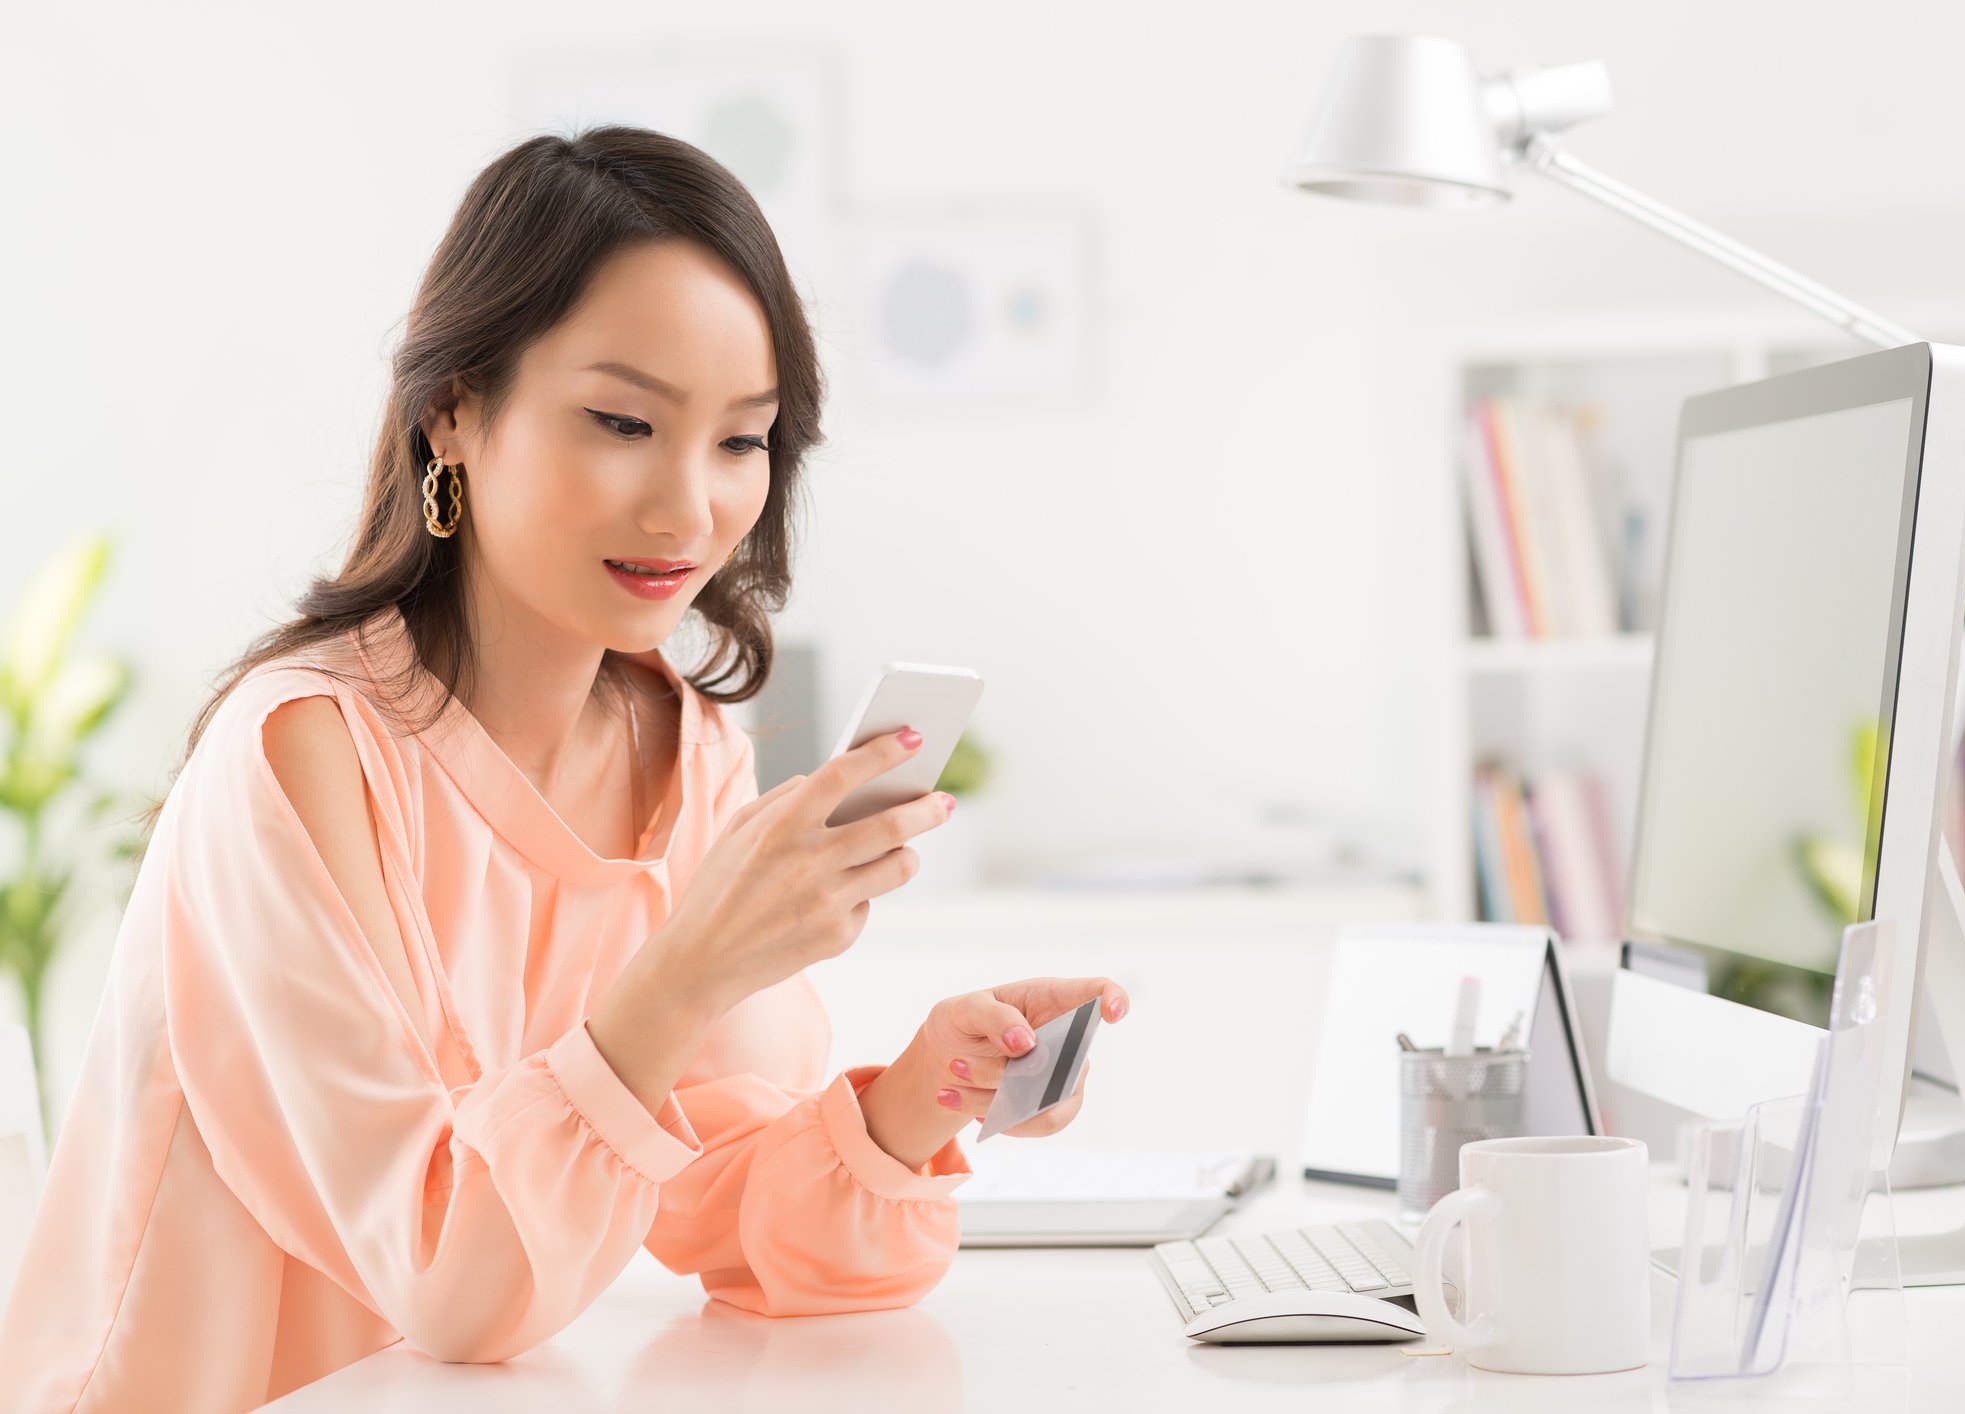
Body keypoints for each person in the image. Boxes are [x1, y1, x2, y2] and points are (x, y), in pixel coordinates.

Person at [0, 125, 1127, 1413]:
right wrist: (694, 961)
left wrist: (915, 1105)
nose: (688, 507)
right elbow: (449, 1281)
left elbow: (717, 1203)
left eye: (741, 442)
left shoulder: (684, 751)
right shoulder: (304, 751)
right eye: (622, 421)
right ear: (455, 413)